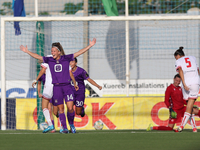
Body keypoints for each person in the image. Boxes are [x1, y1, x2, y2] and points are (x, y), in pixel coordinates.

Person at [20, 38, 96, 133]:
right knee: (60, 109)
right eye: (51, 51)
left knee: (70, 107)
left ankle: (71, 124)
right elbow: (38, 57)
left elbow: (79, 53)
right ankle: (64, 128)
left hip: (67, 87)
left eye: (54, 51)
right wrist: (27, 51)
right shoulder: (49, 60)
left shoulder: (66, 58)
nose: (52, 52)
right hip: (56, 87)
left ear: (59, 52)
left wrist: (90, 45)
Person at [174, 46, 200, 132]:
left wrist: (184, 83)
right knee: (190, 106)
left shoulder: (178, 61)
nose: (175, 59)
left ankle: (181, 126)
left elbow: (180, 70)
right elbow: (197, 70)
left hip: (187, 83)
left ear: (178, 55)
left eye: (176, 57)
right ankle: (194, 128)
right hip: (195, 83)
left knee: (188, 105)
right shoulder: (193, 58)